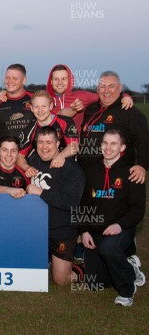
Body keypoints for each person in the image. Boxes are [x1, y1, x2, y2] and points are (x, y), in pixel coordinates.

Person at [80, 130, 146, 306]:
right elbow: (83, 203)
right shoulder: (91, 170)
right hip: (96, 230)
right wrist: (84, 230)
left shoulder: (132, 172)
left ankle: (126, 291)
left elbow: (138, 209)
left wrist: (120, 225)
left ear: (122, 147)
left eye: (114, 144)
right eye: (105, 143)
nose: (108, 148)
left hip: (120, 229)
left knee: (108, 249)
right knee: (96, 283)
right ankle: (130, 267)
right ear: (100, 146)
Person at [25, 126, 85, 286]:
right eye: (40, 142)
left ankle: (87, 268)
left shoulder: (71, 168)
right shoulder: (33, 161)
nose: (44, 147)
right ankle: (47, 256)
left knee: (61, 281)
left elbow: (72, 201)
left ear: (58, 144)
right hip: (36, 228)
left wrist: (41, 192)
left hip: (61, 230)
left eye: (49, 143)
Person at [78, 71, 149, 185]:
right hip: (86, 176)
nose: (106, 91)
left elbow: (144, 143)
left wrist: (142, 166)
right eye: (102, 86)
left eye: (111, 86)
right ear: (97, 89)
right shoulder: (90, 109)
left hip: (115, 179)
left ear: (120, 88)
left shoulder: (131, 113)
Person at [46, 64, 132, 132]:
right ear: (51, 81)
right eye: (56, 79)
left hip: (74, 148)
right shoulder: (45, 99)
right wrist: (74, 110)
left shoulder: (81, 96)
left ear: (69, 80)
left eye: (64, 79)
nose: (60, 82)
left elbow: (105, 95)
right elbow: (59, 114)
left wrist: (125, 96)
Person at [17, 90, 78, 176]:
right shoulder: (29, 129)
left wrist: (60, 156)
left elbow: (74, 146)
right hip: (43, 171)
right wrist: (27, 168)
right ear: (31, 108)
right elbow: (19, 156)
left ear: (51, 106)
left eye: (44, 106)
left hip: (66, 168)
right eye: (36, 107)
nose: (40, 110)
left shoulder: (65, 121)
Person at [0, 64, 34, 138]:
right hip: (6, 149)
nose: (10, 81)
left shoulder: (35, 100)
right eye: (7, 78)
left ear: (24, 80)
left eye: (14, 78)